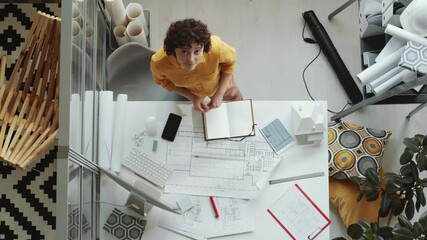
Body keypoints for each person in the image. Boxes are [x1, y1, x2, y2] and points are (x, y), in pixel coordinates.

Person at [150, 18, 243, 112]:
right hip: (189, 92)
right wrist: (192, 97)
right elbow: (163, 82)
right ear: (173, 50)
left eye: (197, 51)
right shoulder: (159, 63)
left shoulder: (216, 48)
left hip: (222, 86)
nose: (191, 60)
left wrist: (220, 93)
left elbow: (230, 62)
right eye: (184, 51)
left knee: (239, 108)